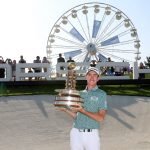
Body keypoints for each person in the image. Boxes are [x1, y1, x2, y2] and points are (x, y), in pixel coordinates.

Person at [58, 66, 107, 150]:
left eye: (95, 75)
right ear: (86, 77)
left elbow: (101, 118)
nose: (92, 77)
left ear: (98, 78)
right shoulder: (79, 93)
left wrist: (83, 110)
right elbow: (77, 116)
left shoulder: (101, 94)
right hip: (76, 132)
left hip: (92, 135)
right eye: (89, 74)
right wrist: (65, 109)